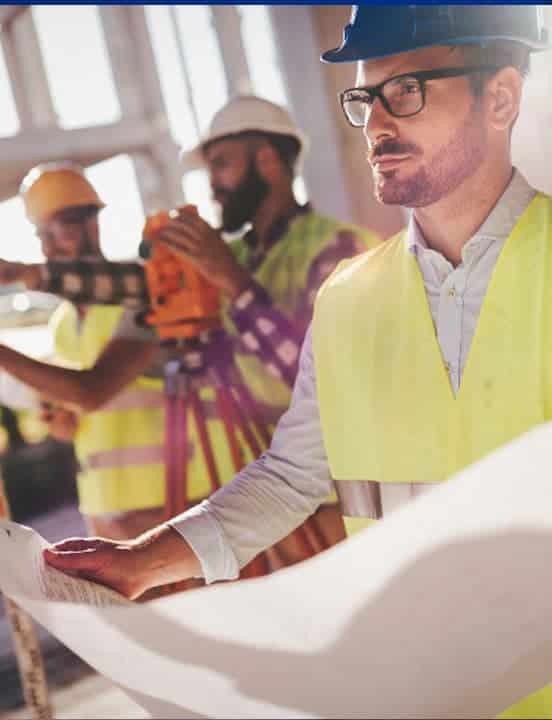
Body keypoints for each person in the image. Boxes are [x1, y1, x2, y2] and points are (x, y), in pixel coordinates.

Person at [43, 6, 552, 716]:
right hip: (416, 688)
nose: (376, 125)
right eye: (365, 98)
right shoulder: (348, 299)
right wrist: (144, 562)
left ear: (499, 98)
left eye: (407, 91)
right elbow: (293, 474)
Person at [0, 98, 378, 574]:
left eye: (221, 164)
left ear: (267, 160)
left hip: (325, 494)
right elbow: (130, 284)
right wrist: (28, 275)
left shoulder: (337, 248)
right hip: (253, 497)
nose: (213, 183)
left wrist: (233, 283)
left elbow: (321, 380)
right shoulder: (233, 251)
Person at [16, 163, 167, 540]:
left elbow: (92, 390)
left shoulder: (141, 295)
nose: (50, 247)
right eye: (41, 235)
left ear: (92, 223)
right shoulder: (63, 323)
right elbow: (82, 409)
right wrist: (63, 424)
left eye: (61, 229)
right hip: (104, 512)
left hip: (173, 502)